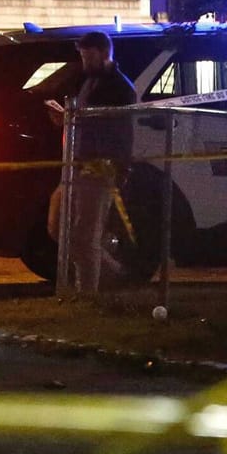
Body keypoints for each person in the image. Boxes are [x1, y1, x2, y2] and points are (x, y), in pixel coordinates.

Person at [49, 30, 137, 293]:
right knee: (57, 227)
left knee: (83, 235)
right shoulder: (89, 82)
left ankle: (87, 294)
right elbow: (85, 120)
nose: (84, 61)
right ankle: (115, 272)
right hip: (76, 165)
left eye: (87, 55)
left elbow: (114, 130)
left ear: (102, 53)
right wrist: (66, 117)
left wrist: (116, 169)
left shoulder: (119, 88)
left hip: (99, 168)